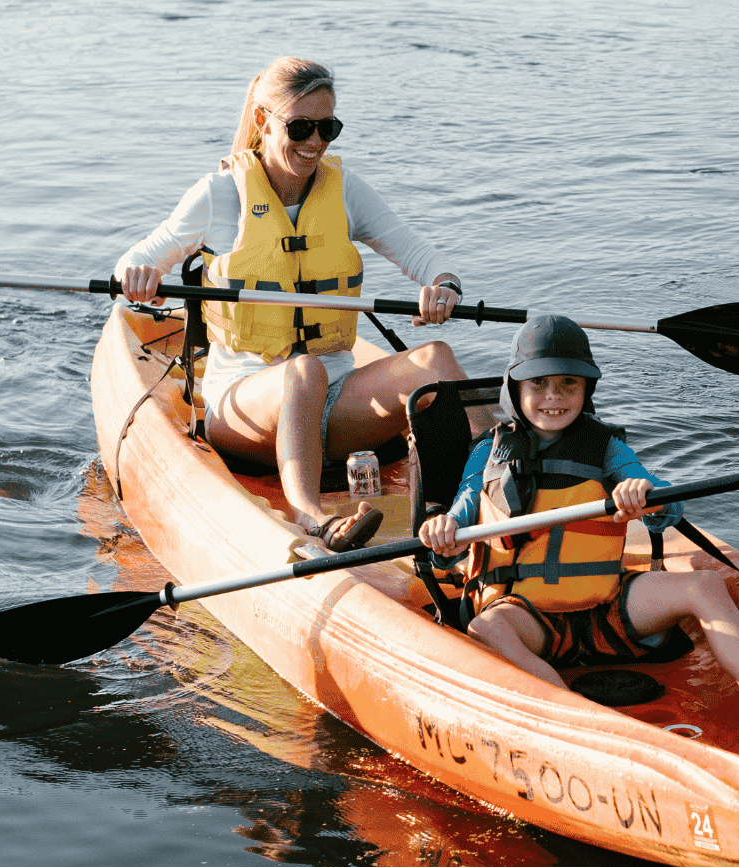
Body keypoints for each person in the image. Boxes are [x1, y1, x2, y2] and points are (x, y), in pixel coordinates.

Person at [116, 57, 494, 551]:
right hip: (243, 406)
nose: (314, 141)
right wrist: (141, 278)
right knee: (303, 370)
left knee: (435, 360)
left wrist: (443, 287)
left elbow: (422, 256)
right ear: (262, 122)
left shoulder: (344, 191)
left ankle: (500, 483)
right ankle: (311, 516)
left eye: (327, 127)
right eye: (300, 127)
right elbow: (134, 263)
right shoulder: (218, 196)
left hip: (337, 403)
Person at [417, 315, 739, 749]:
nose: (553, 398)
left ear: (586, 390)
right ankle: (583, 725)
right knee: (487, 627)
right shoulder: (488, 452)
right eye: (538, 385)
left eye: (568, 385)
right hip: (526, 617)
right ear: (515, 388)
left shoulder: (607, 448)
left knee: (704, 585)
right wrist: (443, 533)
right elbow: (460, 519)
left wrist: (648, 496)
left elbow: (664, 506)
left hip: (606, 611)